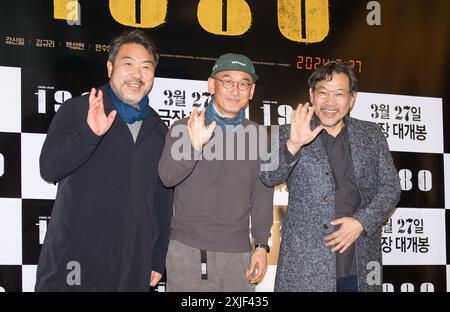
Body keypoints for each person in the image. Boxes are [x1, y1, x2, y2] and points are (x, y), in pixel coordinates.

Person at [35, 29, 173, 291]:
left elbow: (162, 200)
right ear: (110, 67)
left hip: (133, 264)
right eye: (128, 64)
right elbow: (49, 168)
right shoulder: (79, 109)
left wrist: (156, 258)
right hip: (74, 261)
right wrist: (90, 134)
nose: (137, 74)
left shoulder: (158, 129)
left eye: (146, 67)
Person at [260, 61, 401, 292]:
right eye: (323, 93)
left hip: (361, 263)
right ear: (311, 95)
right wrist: (293, 145)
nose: (329, 102)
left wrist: (361, 222)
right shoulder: (290, 131)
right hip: (305, 267)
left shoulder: (371, 134)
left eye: (338, 94)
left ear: (352, 99)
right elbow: (268, 176)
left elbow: (391, 187)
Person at [158, 53, 274, 292]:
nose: (235, 90)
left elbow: (263, 195)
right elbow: (167, 177)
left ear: (251, 92)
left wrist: (261, 246)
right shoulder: (185, 128)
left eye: (244, 84)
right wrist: (194, 147)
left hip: (239, 255)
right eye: (227, 81)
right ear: (212, 85)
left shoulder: (261, 136)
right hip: (188, 252)